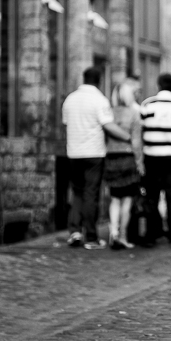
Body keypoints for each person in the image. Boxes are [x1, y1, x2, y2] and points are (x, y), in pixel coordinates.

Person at [62, 67, 130, 250]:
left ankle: (75, 231)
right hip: (93, 153)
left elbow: (66, 123)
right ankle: (91, 237)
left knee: (77, 192)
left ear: (83, 78)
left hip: (73, 152)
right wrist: (128, 137)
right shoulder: (99, 99)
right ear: (99, 80)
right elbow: (108, 125)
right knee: (91, 193)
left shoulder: (70, 99)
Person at [140, 73, 171, 246]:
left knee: (152, 196)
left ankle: (151, 234)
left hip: (152, 157)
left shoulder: (147, 105)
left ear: (158, 85)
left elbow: (141, 130)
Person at [104, 80, 144, 250]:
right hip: (127, 158)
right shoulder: (133, 113)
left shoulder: (108, 113)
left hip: (111, 158)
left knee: (114, 199)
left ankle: (113, 233)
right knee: (127, 201)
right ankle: (123, 236)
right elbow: (136, 142)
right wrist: (140, 163)